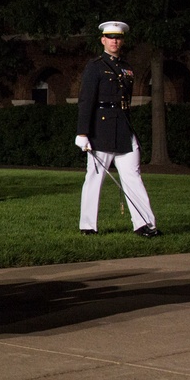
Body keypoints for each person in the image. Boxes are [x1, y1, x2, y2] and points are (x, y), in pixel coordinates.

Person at [75, 21, 161, 237]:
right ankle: (88, 226)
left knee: (133, 176)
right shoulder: (95, 66)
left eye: (118, 38)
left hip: (123, 127)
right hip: (100, 128)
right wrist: (82, 132)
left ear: (122, 41)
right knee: (94, 178)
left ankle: (145, 224)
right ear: (103, 40)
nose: (114, 41)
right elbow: (86, 100)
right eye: (110, 37)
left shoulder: (126, 67)